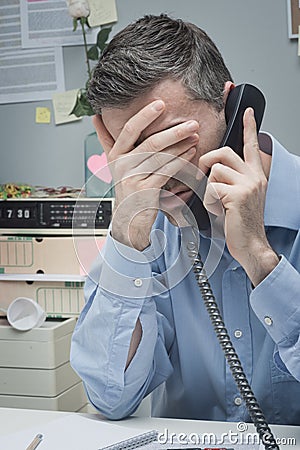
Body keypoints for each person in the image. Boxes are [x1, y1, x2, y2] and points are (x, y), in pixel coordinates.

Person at [70, 14, 300, 425]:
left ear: (233, 108)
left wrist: (261, 259)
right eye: (137, 152)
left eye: (172, 140)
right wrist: (128, 238)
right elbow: (111, 397)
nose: (160, 172)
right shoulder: (148, 229)